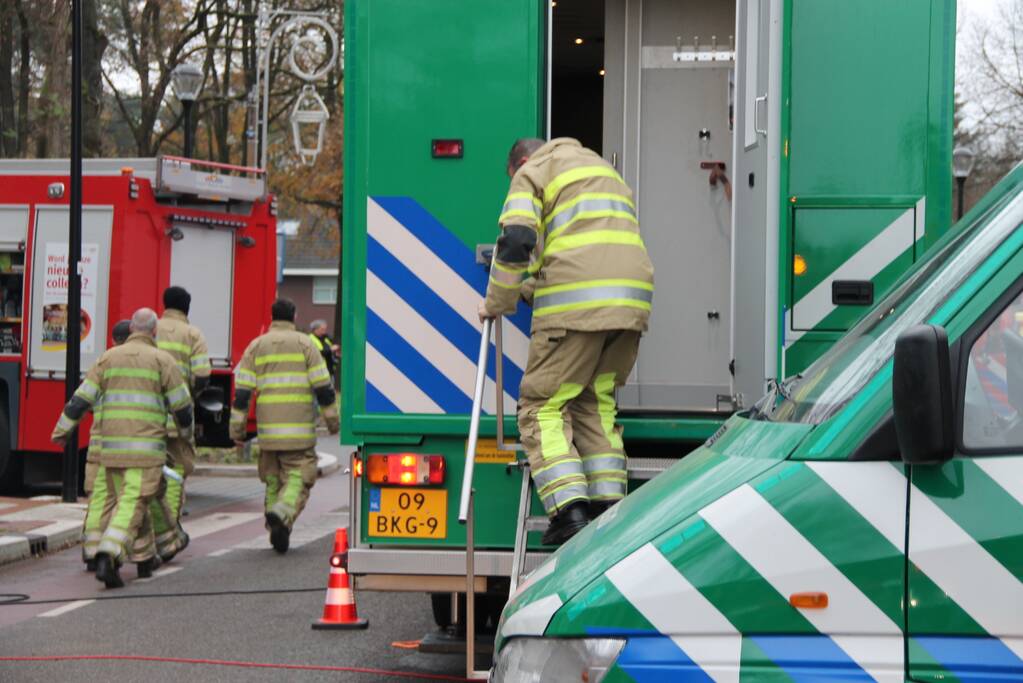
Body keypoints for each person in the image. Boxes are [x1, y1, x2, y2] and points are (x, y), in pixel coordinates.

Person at [477, 137, 654, 545]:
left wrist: (498, 302)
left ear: (520, 160)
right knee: (595, 404)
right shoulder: (600, 171)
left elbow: (519, 238)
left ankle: (570, 511)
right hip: (629, 305)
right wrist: (527, 290)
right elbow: (582, 250)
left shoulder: (533, 172)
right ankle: (610, 510)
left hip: (577, 306)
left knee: (542, 407)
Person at [52, 308, 193, 588]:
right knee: (133, 503)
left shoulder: (108, 358)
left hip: (111, 453)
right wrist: (186, 437)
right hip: (146, 454)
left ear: (131, 331)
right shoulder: (162, 360)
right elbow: (182, 408)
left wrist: (61, 432)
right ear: (154, 332)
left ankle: (143, 560)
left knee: (133, 505)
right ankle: (110, 552)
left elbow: (81, 400)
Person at [230, 298, 339, 553]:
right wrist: (332, 422)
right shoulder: (305, 344)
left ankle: (275, 525)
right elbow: (323, 387)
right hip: (298, 432)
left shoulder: (256, 346)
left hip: (268, 432)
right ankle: (281, 512)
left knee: (272, 479)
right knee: (299, 477)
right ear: (294, 316)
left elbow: (242, 393)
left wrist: (237, 431)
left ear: (272, 316)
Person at [151, 286, 211, 560]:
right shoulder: (193, 334)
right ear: (187, 308)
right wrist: (189, 394)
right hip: (178, 415)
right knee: (176, 470)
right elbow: (202, 374)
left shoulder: (150, 329)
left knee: (147, 473)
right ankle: (170, 529)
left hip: (147, 417)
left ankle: (150, 530)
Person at [79, 319, 132, 571]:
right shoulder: (132, 365)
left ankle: (90, 548)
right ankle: (111, 549)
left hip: (97, 445)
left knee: (97, 498)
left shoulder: (101, 363)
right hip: (123, 447)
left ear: (112, 339)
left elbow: (84, 400)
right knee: (122, 499)